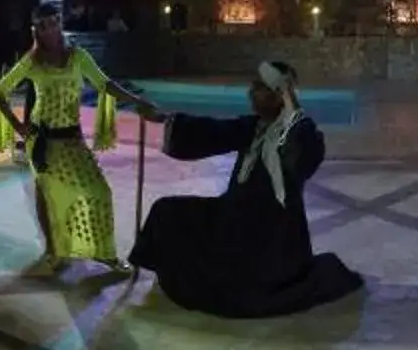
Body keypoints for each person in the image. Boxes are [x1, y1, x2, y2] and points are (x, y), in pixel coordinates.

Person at [120, 61, 366, 317]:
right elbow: (211, 131)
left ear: (279, 94)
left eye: (259, 87)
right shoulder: (253, 127)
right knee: (167, 211)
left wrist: (292, 108)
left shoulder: (301, 132)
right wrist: (161, 117)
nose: (250, 93)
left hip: (271, 236)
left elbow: (300, 156)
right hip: (232, 216)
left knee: (239, 290)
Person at [0, 8, 128, 275]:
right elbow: (0, 91)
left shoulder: (78, 57)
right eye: (42, 26)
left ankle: (104, 253)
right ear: (36, 31)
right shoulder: (33, 61)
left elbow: (104, 84)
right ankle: (53, 251)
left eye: (53, 23)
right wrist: (20, 127)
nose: (49, 30)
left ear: (60, 23)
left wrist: (136, 101)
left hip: (72, 137)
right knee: (48, 195)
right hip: (42, 141)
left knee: (99, 191)